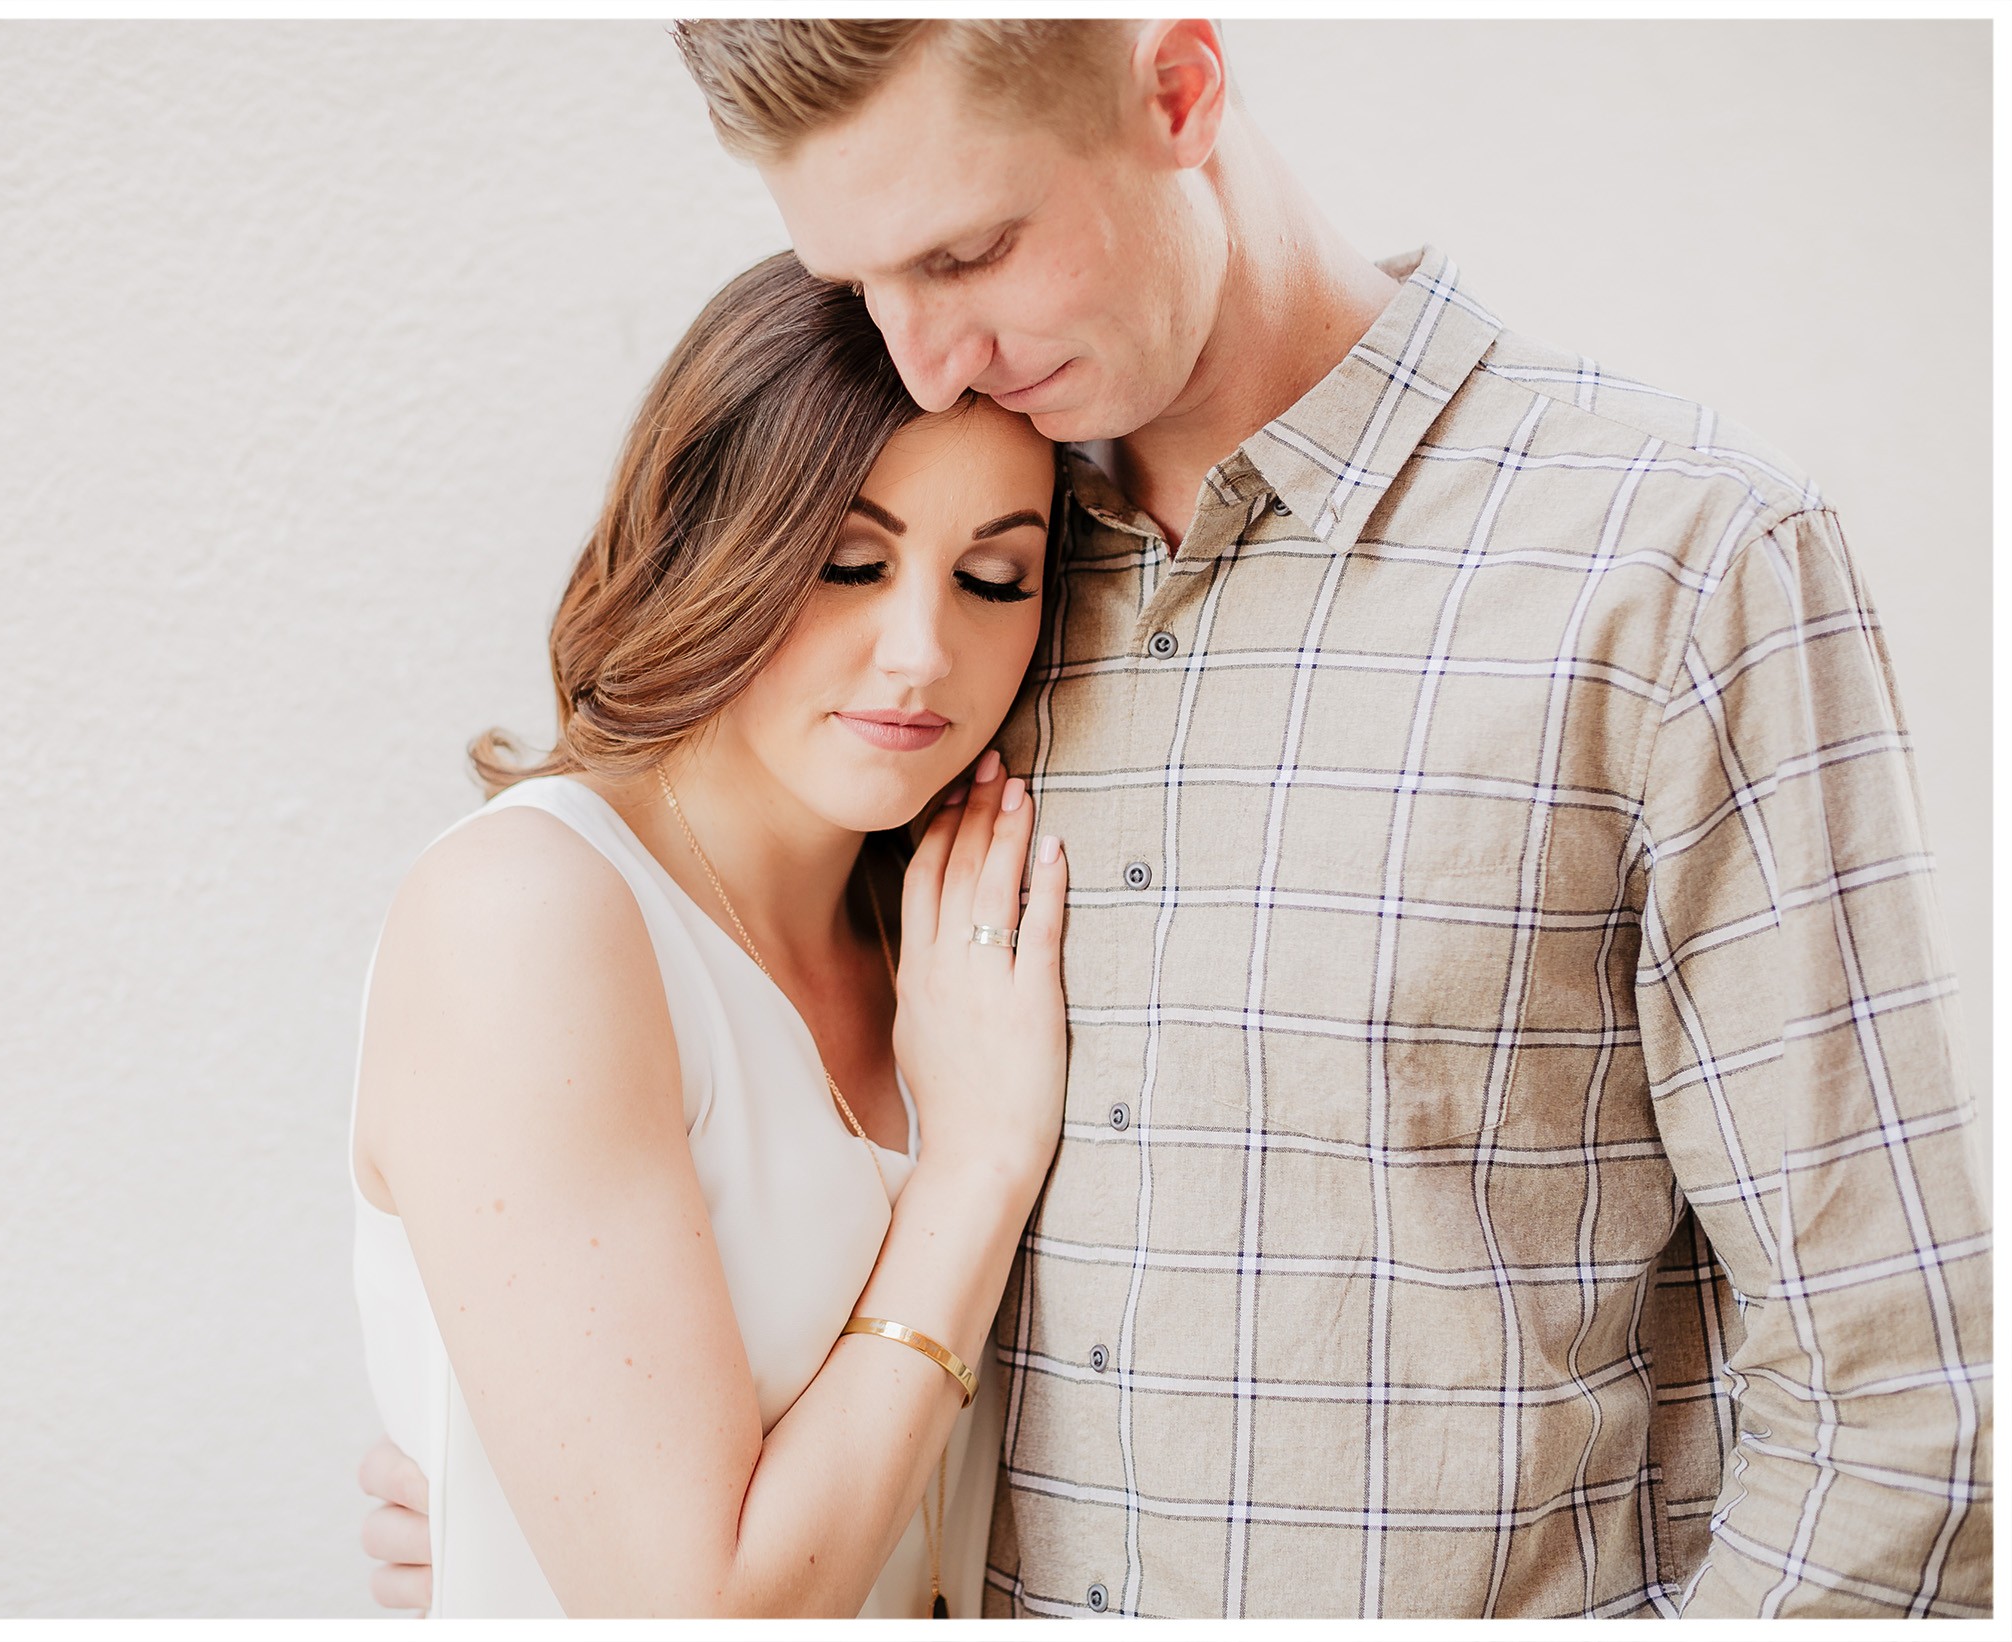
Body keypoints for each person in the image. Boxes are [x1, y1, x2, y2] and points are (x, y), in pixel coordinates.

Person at [360, 19, 1993, 1618]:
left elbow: (1897, 1399)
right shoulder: (950, 614)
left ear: (1181, 91)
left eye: (970, 252)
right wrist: (529, 1486)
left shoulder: (1678, 564)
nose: (921, 358)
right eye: (865, 284)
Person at [349, 249, 1078, 1616]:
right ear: (707, 543)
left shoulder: (945, 944)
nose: (921, 650)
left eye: (994, 578)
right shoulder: (535, 917)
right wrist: (974, 1166)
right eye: (851, 562)